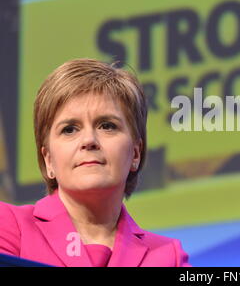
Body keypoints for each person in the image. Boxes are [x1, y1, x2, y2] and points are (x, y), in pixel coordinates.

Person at [0, 58, 191, 267]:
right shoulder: (8, 226)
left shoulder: (167, 256)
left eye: (107, 126)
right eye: (70, 129)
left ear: (136, 153)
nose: (89, 140)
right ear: (49, 160)